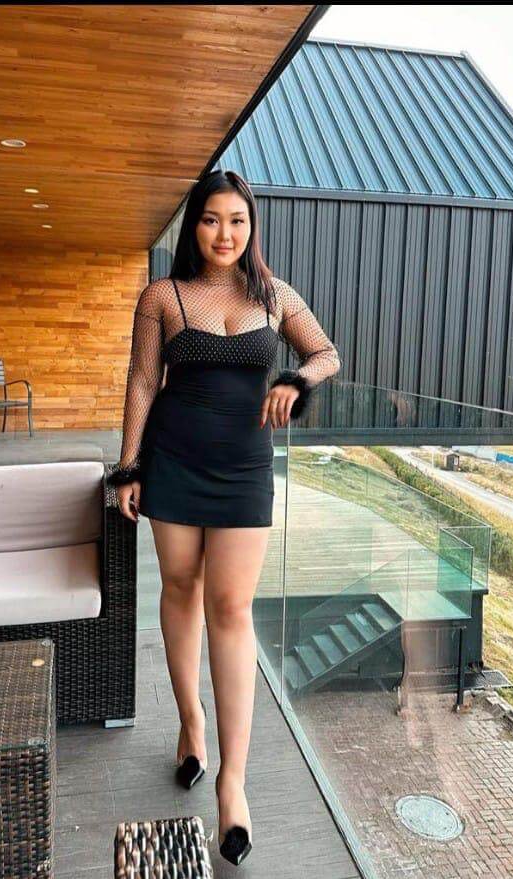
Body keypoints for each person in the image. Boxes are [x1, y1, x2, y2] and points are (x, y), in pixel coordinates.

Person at [107, 169, 341, 866]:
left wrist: (296, 379)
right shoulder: (164, 295)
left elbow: (325, 352)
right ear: (195, 225)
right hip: (174, 459)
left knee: (231, 609)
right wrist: (129, 466)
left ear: (251, 226)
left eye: (238, 220)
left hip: (244, 470)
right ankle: (191, 723)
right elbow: (143, 381)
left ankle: (232, 782)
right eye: (212, 219)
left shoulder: (275, 296)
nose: (225, 233)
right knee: (180, 588)